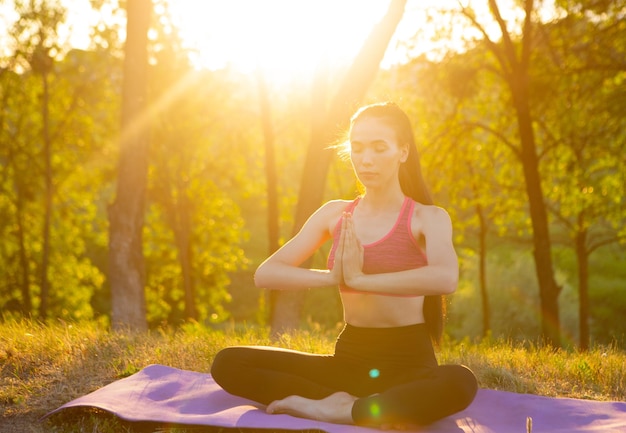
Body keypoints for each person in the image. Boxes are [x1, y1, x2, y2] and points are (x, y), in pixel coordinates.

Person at [211, 101, 478, 428]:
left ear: (403, 152)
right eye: (357, 148)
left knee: (460, 382)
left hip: (409, 365)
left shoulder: (428, 218)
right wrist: (333, 277)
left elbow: (445, 278)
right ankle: (351, 405)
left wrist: (360, 280)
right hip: (349, 361)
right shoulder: (334, 214)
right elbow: (266, 273)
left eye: (380, 148)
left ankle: (341, 410)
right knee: (229, 363)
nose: (366, 159)